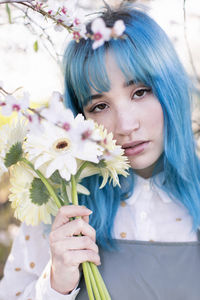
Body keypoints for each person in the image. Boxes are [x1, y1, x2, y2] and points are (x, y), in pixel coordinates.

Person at [1, 3, 200, 299]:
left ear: (170, 88)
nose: (125, 125)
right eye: (100, 106)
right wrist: (56, 283)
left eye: (140, 92)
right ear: (79, 118)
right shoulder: (58, 208)